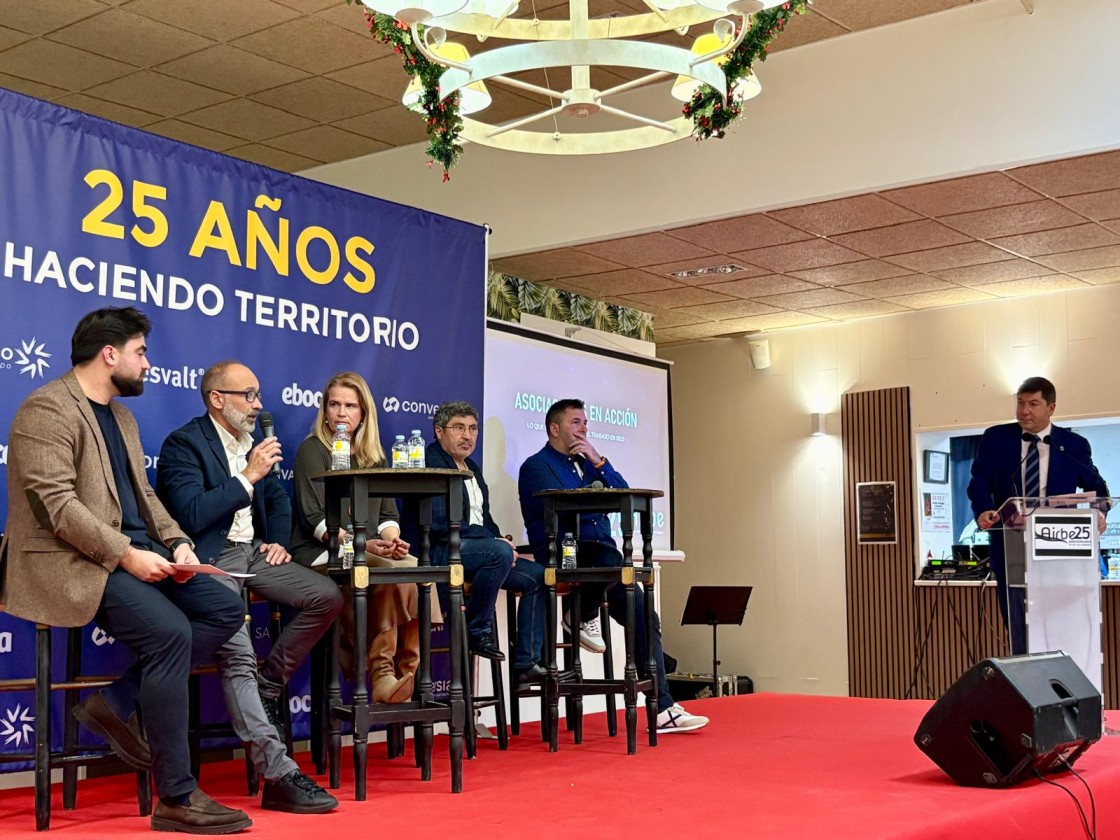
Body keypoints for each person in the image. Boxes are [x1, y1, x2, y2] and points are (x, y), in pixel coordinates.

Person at [0, 307, 252, 833]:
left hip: (137, 554)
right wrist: (125, 555)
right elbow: (57, 508)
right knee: (169, 633)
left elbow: (147, 498)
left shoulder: (123, 418)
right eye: (141, 352)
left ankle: (115, 702)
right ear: (110, 354)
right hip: (73, 560)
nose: (148, 363)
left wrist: (179, 543)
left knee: (224, 608)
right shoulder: (47, 409)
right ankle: (176, 796)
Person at [156, 360, 339, 814]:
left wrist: (277, 540)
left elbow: (276, 499)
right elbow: (190, 514)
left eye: (258, 395)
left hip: (254, 552)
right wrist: (247, 477)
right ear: (217, 399)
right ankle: (279, 775)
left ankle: (269, 682)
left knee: (325, 596)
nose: (258, 405)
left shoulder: (252, 444)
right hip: (209, 558)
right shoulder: (184, 444)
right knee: (237, 656)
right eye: (248, 395)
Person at [518, 398, 708, 734]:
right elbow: (566, 507)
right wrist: (599, 498)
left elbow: (623, 495)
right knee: (611, 559)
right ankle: (581, 615)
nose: (584, 429)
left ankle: (663, 708)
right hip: (565, 554)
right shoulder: (536, 466)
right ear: (554, 428)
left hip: (601, 560)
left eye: (585, 422)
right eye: (576, 422)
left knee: (644, 614)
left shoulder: (588, 463)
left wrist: (598, 460)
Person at [289, 372, 420, 703]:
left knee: (413, 568)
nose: (341, 413)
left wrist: (392, 541)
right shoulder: (312, 450)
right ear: (324, 410)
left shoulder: (373, 456)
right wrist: (361, 544)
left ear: (363, 413)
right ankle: (384, 675)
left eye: (350, 406)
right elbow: (315, 520)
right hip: (322, 553)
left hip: (366, 550)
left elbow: (388, 516)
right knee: (386, 571)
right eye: (334, 404)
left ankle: (405, 671)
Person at [409, 401, 548, 685]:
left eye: (473, 429)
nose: (468, 436)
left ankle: (526, 663)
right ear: (439, 431)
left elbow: (484, 519)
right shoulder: (430, 462)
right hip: (441, 552)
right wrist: (494, 543)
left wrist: (502, 540)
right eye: (459, 428)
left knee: (538, 576)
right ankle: (477, 631)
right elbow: (440, 523)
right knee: (497, 552)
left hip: (476, 550)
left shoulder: (471, 466)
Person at [968, 376, 1109, 654]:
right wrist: (983, 508)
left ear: (1051, 408)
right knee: (1018, 626)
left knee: (1058, 626)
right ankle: (1025, 673)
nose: (1024, 411)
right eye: (1020, 403)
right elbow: (979, 482)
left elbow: (1098, 488)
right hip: (1011, 547)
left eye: (1033, 404)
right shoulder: (996, 439)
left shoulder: (1073, 444)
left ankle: (1059, 672)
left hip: (1058, 549)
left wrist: (1098, 512)